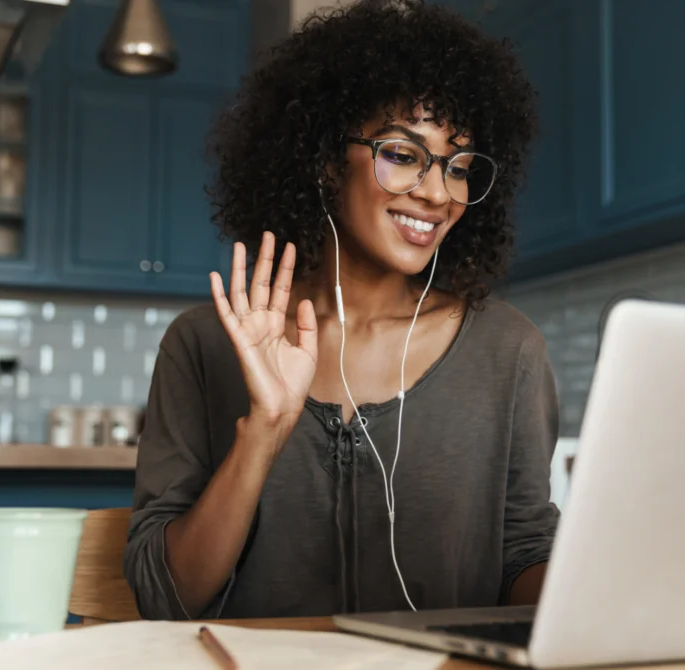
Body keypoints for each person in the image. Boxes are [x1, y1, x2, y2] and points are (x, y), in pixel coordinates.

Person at [123, 0, 560, 621]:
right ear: (326, 160)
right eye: (404, 155)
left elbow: (523, 557)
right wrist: (265, 432)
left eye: (460, 167)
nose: (438, 194)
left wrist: (613, 592)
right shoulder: (204, 344)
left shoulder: (506, 350)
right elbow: (165, 598)